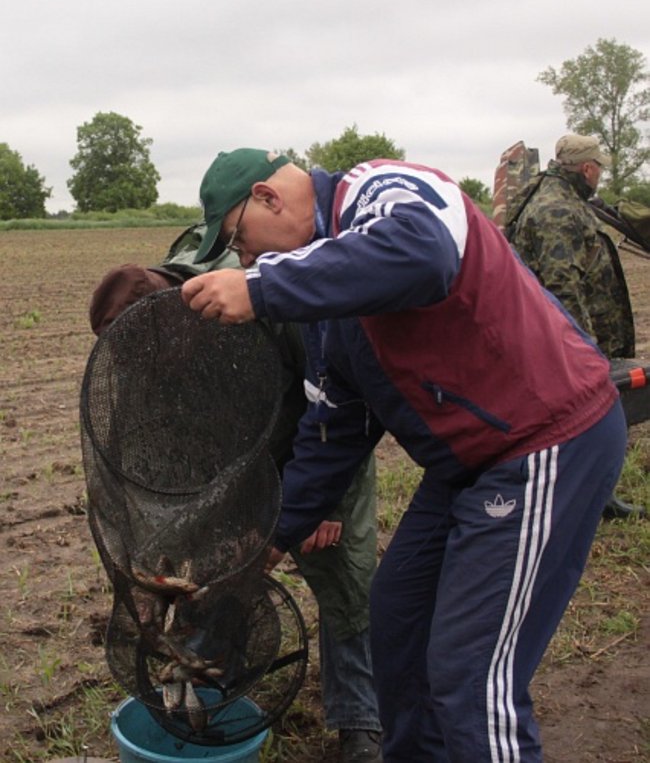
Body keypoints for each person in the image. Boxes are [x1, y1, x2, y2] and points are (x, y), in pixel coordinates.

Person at [180, 147, 627, 763]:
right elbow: (334, 431)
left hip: (543, 441)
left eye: (239, 240)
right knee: (398, 622)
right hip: (467, 466)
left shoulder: (381, 188)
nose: (245, 258)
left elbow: (424, 254)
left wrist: (260, 285)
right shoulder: (328, 312)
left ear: (268, 197)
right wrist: (270, 544)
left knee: (472, 677)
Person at [89, 226, 383, 763]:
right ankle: (211, 688)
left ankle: (359, 719)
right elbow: (150, 466)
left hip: (316, 445)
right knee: (211, 579)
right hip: (236, 464)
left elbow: (344, 406)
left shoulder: (268, 296)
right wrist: (156, 563)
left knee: (346, 585)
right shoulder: (136, 346)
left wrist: (323, 505)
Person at [507, 133, 642, 520]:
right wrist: (584, 351)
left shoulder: (561, 199)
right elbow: (560, 286)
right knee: (577, 423)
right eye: (598, 167)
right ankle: (582, 502)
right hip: (566, 347)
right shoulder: (556, 210)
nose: (599, 175)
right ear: (587, 168)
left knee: (592, 422)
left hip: (570, 342)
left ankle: (599, 497)